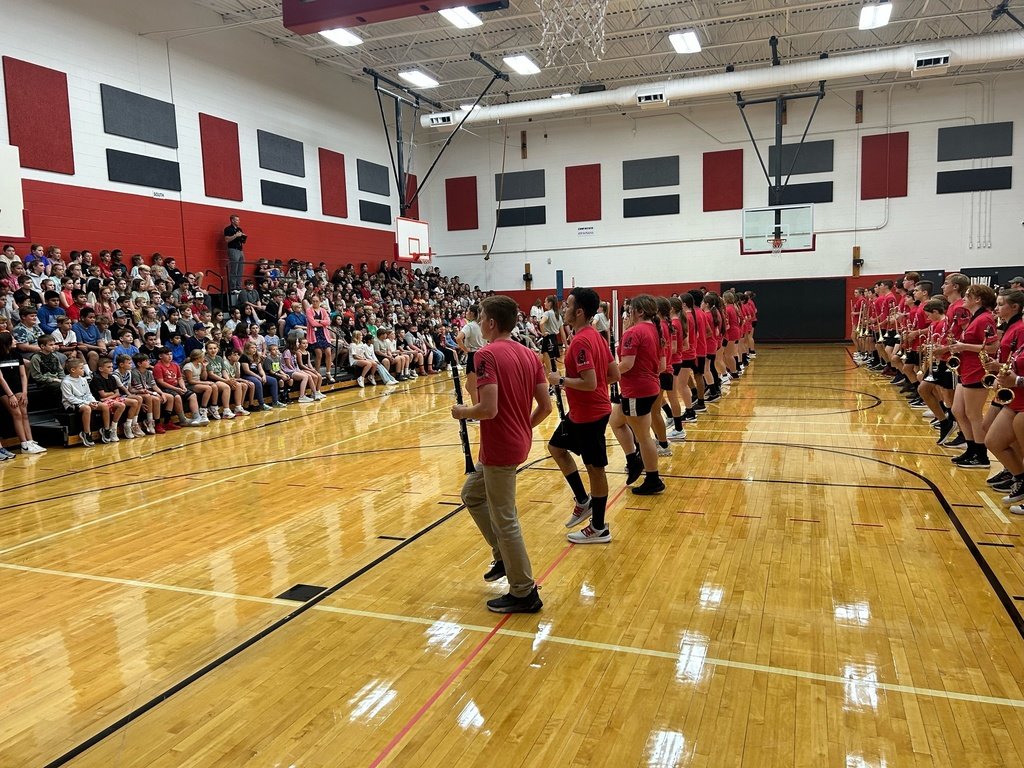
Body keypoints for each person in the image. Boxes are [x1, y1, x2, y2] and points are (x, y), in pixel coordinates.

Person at [453, 295, 550, 614]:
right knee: (472, 494)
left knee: (506, 519)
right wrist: (524, 426)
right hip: (517, 441)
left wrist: (462, 412)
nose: (478, 323)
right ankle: (501, 557)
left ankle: (523, 590)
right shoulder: (529, 354)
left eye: (481, 318)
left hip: (500, 447)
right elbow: (546, 407)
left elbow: (488, 408)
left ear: (491, 323)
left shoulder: (485, 355)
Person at [546, 288, 618, 544]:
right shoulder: (595, 336)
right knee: (556, 447)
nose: (563, 309)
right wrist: (596, 387)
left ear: (579, 311)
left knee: (595, 470)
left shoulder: (580, 341)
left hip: (590, 415)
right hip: (584, 413)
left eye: (568, 306)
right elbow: (614, 374)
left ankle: (598, 527)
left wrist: (560, 380)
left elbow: (589, 382)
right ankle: (583, 500)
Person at [616, 294, 665, 495]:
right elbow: (661, 366)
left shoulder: (633, 332)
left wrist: (605, 376)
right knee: (616, 421)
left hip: (637, 390)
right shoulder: (657, 330)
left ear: (639, 311)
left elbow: (626, 365)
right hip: (650, 386)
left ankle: (653, 479)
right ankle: (633, 460)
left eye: (630, 309)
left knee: (644, 436)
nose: (628, 313)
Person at [0, 331, 46, 456]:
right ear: (6, 342)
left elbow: (23, 375)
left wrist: (25, 392)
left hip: (19, 389)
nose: (15, 341)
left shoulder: (17, 355)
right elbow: (1, 378)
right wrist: (10, 396)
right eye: (13, 339)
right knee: (17, 414)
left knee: (24, 414)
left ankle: (30, 441)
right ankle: (24, 444)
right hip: (4, 390)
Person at [62, 358, 112, 447]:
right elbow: (70, 398)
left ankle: (106, 429)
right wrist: (87, 403)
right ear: (73, 370)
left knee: (105, 406)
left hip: (86, 401)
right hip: (71, 404)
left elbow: (88, 394)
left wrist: (93, 401)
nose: (83, 370)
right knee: (87, 408)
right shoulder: (66, 382)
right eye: (81, 368)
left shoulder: (83, 379)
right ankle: (86, 433)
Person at [457, 304, 485, 405]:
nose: (466, 313)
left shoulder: (469, 326)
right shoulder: (483, 325)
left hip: (473, 355)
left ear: (472, 313)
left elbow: (458, 338)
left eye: (467, 311)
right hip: (483, 355)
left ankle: (477, 412)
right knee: (468, 386)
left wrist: (465, 349)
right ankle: (481, 403)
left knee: (473, 388)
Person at [224, 214, 247, 293]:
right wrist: (236, 235)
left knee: (240, 269)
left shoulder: (239, 229)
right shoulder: (228, 229)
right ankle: (233, 288)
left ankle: (238, 286)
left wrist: (243, 237)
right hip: (233, 249)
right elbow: (227, 239)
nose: (238, 221)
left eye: (239, 220)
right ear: (232, 220)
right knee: (234, 269)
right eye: (237, 220)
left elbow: (242, 241)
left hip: (240, 250)